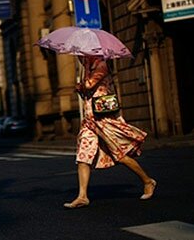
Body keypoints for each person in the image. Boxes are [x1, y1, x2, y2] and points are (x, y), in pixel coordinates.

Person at [64, 55, 156, 208]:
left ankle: (147, 181)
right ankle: (82, 196)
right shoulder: (88, 67)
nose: (81, 56)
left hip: (103, 119)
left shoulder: (102, 65)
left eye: (83, 54)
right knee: (83, 156)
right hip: (89, 120)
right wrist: (82, 86)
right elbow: (87, 92)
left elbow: (89, 84)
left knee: (120, 155)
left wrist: (81, 85)